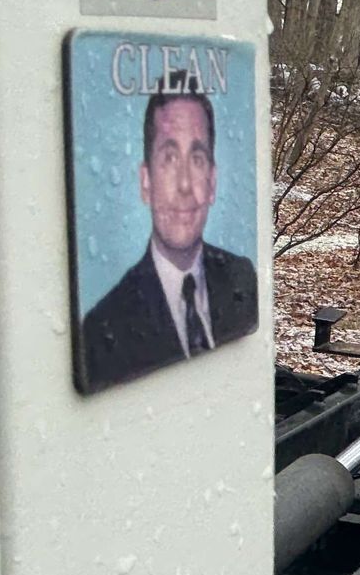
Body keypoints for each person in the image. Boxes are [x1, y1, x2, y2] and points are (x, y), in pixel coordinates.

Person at [79, 88, 257, 390]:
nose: (185, 184)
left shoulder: (241, 277)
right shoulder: (103, 329)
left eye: (197, 158)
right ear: (146, 181)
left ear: (212, 182)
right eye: (170, 158)